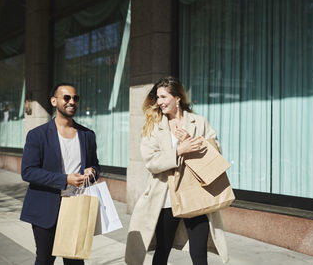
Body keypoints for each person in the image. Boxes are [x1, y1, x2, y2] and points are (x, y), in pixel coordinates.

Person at [125, 76, 228, 265]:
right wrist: (179, 150)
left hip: (196, 195)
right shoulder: (153, 126)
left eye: (164, 97)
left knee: (199, 255)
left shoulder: (199, 122)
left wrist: (193, 142)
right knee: (162, 251)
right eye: (158, 97)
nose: (159, 102)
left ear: (178, 98)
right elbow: (151, 162)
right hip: (166, 198)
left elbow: (216, 151)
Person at [20, 83, 100, 265]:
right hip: (46, 207)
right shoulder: (38, 135)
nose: (72, 102)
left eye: (75, 98)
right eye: (67, 98)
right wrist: (65, 180)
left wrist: (92, 171)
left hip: (76, 206)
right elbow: (28, 171)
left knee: (75, 260)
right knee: (45, 260)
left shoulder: (87, 135)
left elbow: (95, 165)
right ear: (54, 101)